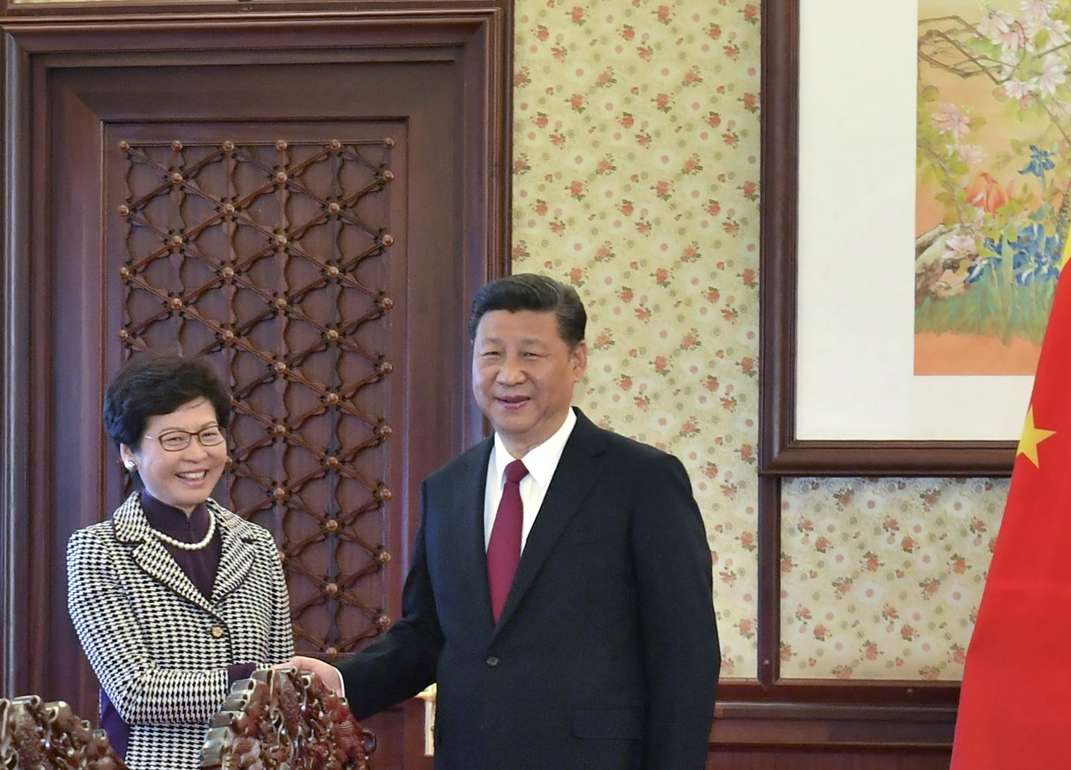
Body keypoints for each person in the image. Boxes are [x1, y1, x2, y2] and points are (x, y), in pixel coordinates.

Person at [293, 273, 720, 769]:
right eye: (491, 354)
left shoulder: (642, 480)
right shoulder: (447, 488)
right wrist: (341, 681)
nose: (508, 375)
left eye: (531, 355)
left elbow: (685, 655)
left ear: (577, 360)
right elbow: (428, 634)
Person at [66, 354, 293, 770]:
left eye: (209, 434)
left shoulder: (256, 545)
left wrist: (279, 687)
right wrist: (258, 683)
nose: (197, 454)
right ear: (128, 452)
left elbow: (283, 690)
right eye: (174, 439)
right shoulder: (98, 549)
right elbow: (135, 692)